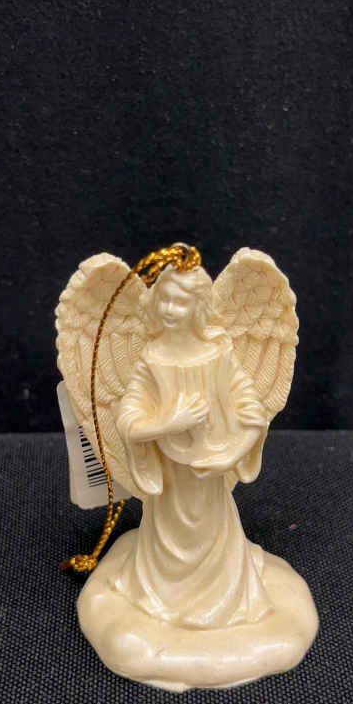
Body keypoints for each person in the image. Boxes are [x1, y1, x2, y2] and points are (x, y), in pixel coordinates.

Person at [109, 265, 274, 629]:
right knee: (169, 537)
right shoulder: (152, 359)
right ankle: (163, 596)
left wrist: (232, 455)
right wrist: (168, 424)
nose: (169, 309)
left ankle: (220, 598)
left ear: (199, 306)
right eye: (164, 299)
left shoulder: (220, 354)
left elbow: (252, 411)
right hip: (171, 477)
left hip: (210, 473)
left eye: (180, 302)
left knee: (213, 532)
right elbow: (128, 418)